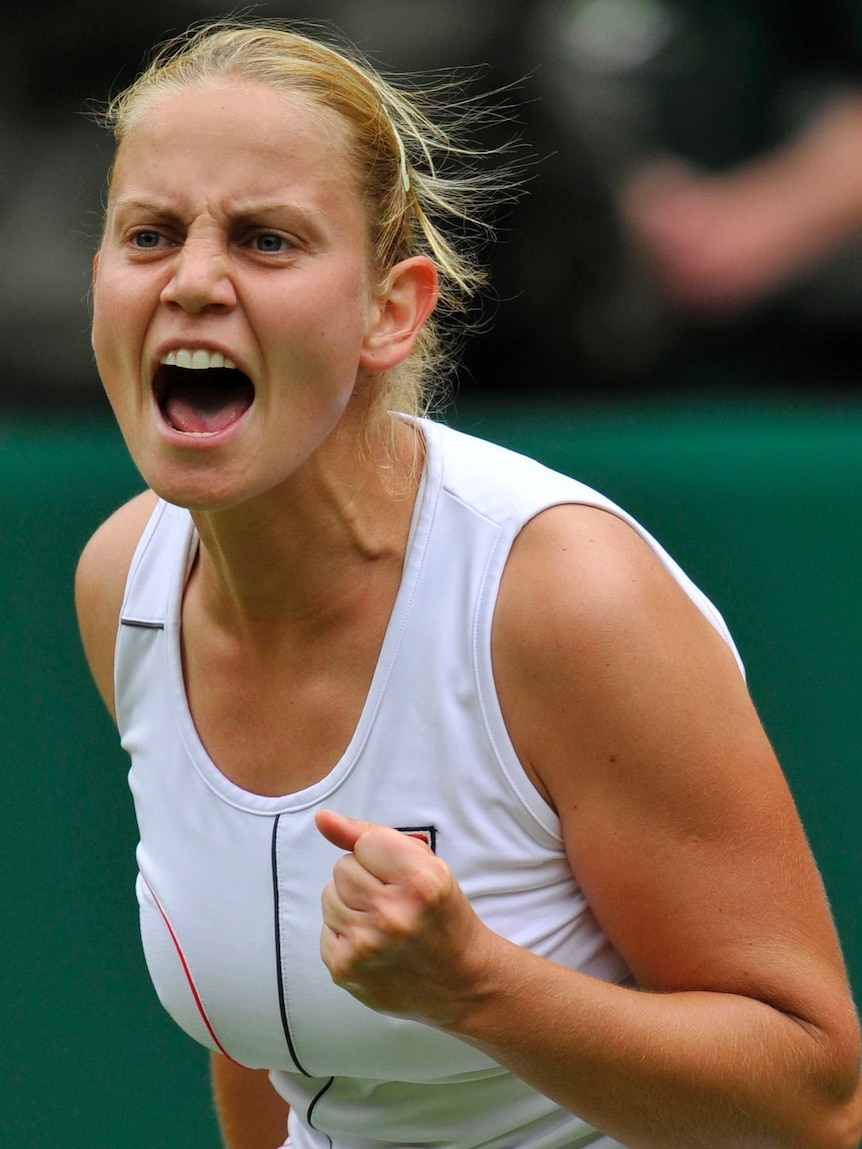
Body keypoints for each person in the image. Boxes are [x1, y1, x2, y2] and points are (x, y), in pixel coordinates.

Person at [74, 19, 862, 1149]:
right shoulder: (124, 584)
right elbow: (255, 1051)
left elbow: (814, 1099)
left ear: (389, 311)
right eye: (149, 234)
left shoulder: (564, 599)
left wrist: (476, 986)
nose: (194, 280)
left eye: (266, 241)